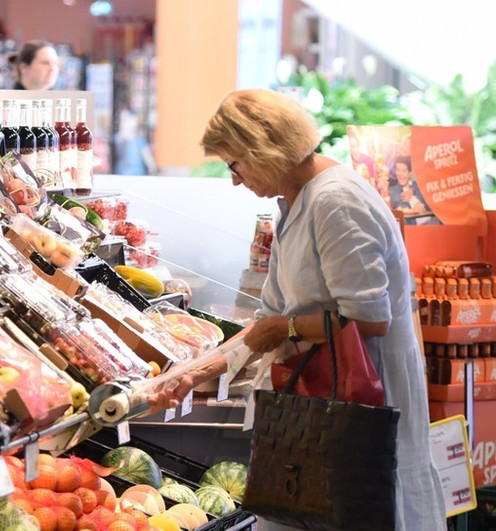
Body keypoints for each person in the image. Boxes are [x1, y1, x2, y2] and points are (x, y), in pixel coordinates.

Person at [149, 89, 446, 530]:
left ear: (262, 149)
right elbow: (266, 317)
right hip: (321, 406)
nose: (234, 180)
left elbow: (370, 319)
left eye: (234, 165)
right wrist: (193, 374)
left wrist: (287, 328)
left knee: (360, 509)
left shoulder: (335, 202)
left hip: (360, 406)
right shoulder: (295, 202)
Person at [389, 155, 432, 223]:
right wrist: (414, 210)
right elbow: (399, 209)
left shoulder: (417, 186)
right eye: (398, 170)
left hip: (431, 222)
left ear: (410, 173)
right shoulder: (394, 191)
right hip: (415, 227)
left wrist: (423, 206)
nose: (400, 174)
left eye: (404, 170)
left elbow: (431, 204)